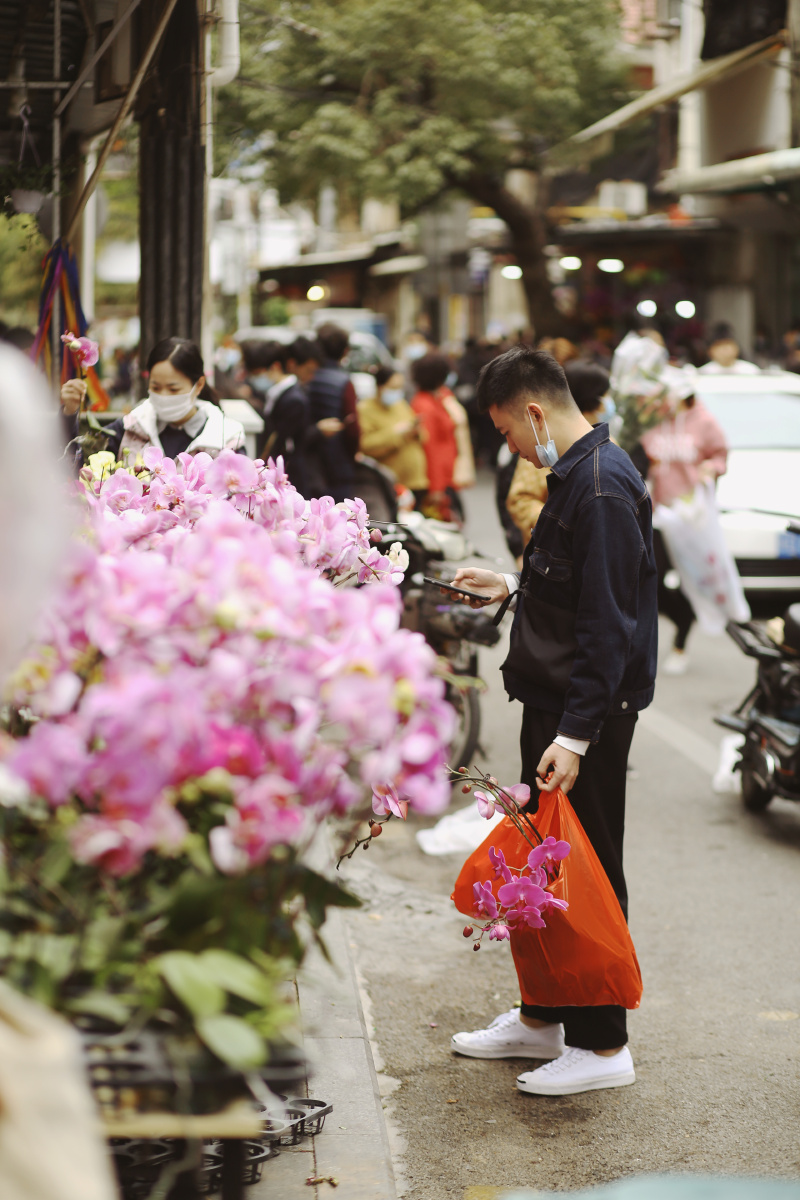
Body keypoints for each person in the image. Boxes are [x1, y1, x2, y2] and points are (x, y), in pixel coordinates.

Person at [447, 346, 658, 1097]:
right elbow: (573, 588)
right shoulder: (576, 476)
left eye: (504, 433)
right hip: (558, 705)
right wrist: (509, 583)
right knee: (542, 863)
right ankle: (543, 1016)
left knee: (588, 866)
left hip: (583, 715)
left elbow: (610, 623)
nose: (507, 448)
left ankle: (603, 1047)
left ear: (534, 412)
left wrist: (575, 735)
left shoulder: (599, 486)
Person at [640, 377, 728, 675]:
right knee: (651, 579)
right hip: (658, 515)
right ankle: (677, 620)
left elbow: (720, 455)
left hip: (690, 516)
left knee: (693, 579)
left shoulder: (703, 421)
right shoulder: (651, 420)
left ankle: (681, 642)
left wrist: (711, 468)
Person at [61, 338, 245, 460]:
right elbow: (78, 463)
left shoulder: (226, 439)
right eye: (156, 387)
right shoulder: (130, 428)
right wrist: (70, 413)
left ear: (199, 385)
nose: (163, 396)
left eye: (173, 389)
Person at [504, 362, 612, 554]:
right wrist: (562, 523)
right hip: (550, 555)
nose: (609, 402)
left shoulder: (609, 442)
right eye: (605, 395)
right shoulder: (546, 443)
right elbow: (520, 499)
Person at [252, 338, 316, 495]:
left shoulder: (294, 400)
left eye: (261, 372)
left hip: (289, 474)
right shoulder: (278, 393)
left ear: (275, 367)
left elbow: (279, 440)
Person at [357, 365, 428, 503]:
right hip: (391, 484)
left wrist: (415, 431)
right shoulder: (365, 409)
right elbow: (365, 445)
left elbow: (421, 435)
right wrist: (397, 433)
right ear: (380, 386)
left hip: (415, 481)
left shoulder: (400, 405)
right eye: (393, 387)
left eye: (400, 388)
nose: (397, 392)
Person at [306, 323, 360, 502]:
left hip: (308, 459)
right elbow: (352, 430)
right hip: (337, 463)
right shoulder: (344, 382)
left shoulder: (308, 376)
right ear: (345, 351)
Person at [410, 352, 459, 521]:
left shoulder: (436, 398)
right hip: (437, 481)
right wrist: (436, 488)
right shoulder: (425, 406)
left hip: (446, 476)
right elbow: (430, 447)